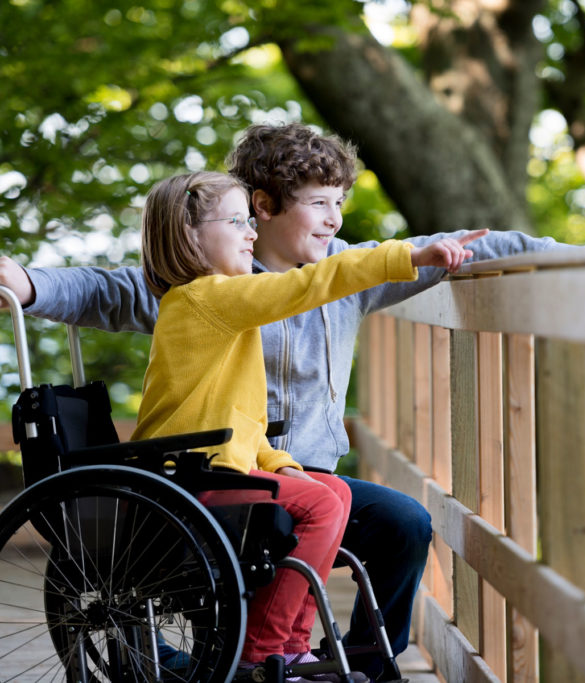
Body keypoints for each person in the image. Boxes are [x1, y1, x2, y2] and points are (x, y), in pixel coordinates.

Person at [0, 122, 581, 681]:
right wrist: (30, 284)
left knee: (405, 523)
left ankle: (357, 662)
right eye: (319, 203)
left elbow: (462, 244)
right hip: (211, 477)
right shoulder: (199, 284)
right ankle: (254, 656)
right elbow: (103, 287)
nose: (336, 221)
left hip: (294, 470)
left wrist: (568, 259)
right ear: (262, 209)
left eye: (339, 203)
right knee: (308, 514)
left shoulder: (347, 273)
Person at [129, 169, 483, 681]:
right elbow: (309, 284)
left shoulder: (222, 308)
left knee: (330, 491)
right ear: (191, 236)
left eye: (250, 221)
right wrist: (403, 258)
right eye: (236, 221)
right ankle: (263, 649)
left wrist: (285, 464)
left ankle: (292, 646)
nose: (251, 233)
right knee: (320, 502)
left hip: (217, 468)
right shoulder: (204, 299)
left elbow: (241, 425)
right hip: (187, 482)